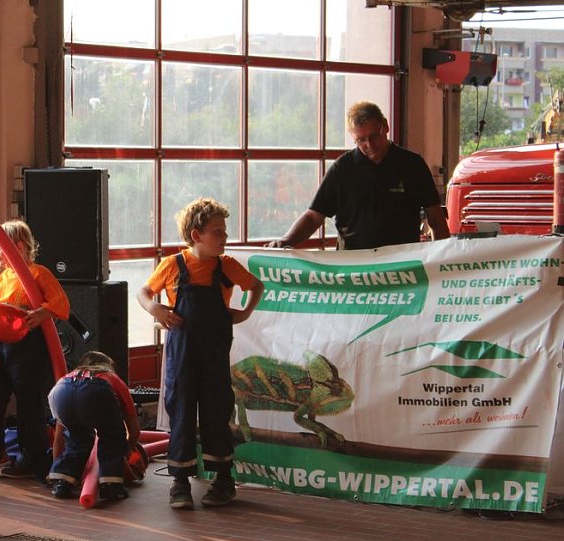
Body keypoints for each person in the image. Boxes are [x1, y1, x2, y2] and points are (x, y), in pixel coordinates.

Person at [137, 197, 264, 510]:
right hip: (181, 352)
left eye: (224, 230)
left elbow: (256, 286)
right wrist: (155, 308)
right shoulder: (172, 265)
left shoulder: (227, 266)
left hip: (214, 352)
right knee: (180, 410)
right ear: (197, 235)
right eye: (217, 231)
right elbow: (144, 292)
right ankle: (180, 482)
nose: (224, 237)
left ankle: (223, 479)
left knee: (216, 410)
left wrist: (245, 312)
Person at [269, 100, 450, 250]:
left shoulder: (412, 165)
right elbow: (314, 216)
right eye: (361, 140)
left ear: (385, 126)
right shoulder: (342, 169)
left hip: (403, 264)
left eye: (374, 136)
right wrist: (287, 240)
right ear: (352, 137)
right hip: (353, 265)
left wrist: (442, 258)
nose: (369, 145)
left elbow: (436, 219)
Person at [0, 220, 70, 479]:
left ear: (18, 246)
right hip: (1, 347)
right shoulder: (2, 279)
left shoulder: (38, 273)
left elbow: (61, 304)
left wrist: (41, 313)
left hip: (29, 346)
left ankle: (33, 455)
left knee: (29, 401)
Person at [47, 351, 141, 501]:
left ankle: (63, 481)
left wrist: (55, 469)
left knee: (77, 436)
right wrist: (124, 450)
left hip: (60, 391)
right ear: (108, 366)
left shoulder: (70, 375)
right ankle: (111, 485)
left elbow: (58, 440)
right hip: (95, 391)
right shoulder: (111, 377)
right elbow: (134, 431)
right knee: (112, 435)